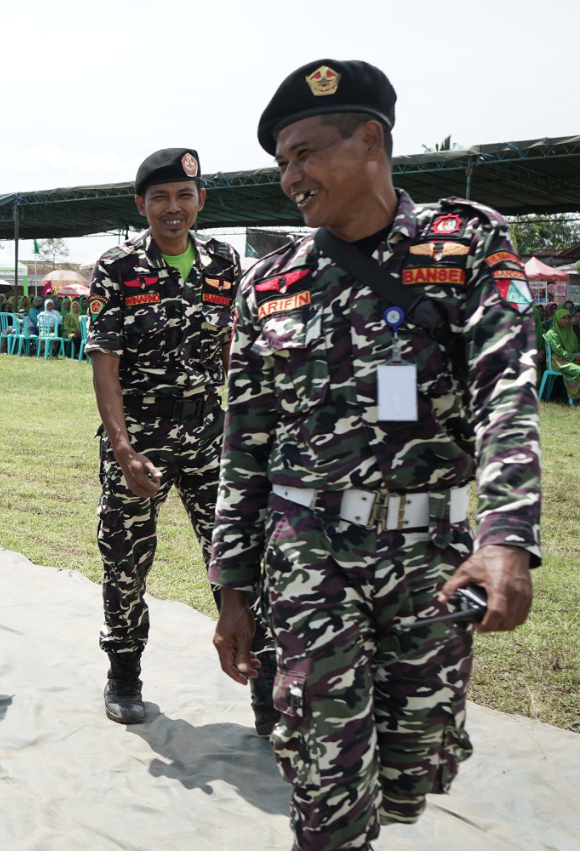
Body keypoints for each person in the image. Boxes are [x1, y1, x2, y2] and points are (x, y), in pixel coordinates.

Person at [210, 59, 541, 849]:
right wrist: (232, 585)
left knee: (409, 772)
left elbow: (508, 394)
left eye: (305, 153)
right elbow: (243, 443)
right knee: (326, 786)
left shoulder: (465, 244)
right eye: (281, 161)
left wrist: (506, 538)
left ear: (370, 141)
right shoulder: (272, 283)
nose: (291, 176)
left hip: (431, 553)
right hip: (310, 550)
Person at [85, 146, 276, 732]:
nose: (174, 208)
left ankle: (265, 683)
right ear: (141, 204)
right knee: (126, 559)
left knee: (238, 558)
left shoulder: (224, 263)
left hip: (208, 431)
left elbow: (234, 351)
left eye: (185, 196)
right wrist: (122, 447)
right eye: (161, 198)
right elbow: (105, 363)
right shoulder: (117, 267)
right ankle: (124, 674)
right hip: (139, 435)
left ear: (201, 202)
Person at [544, 308, 580, 402]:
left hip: (568, 359)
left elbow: (575, 348)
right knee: (578, 370)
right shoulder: (552, 333)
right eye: (563, 318)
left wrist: (576, 357)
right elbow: (559, 351)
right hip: (556, 361)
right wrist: (574, 357)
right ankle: (574, 398)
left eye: (568, 318)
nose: (567, 320)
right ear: (557, 319)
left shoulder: (570, 332)